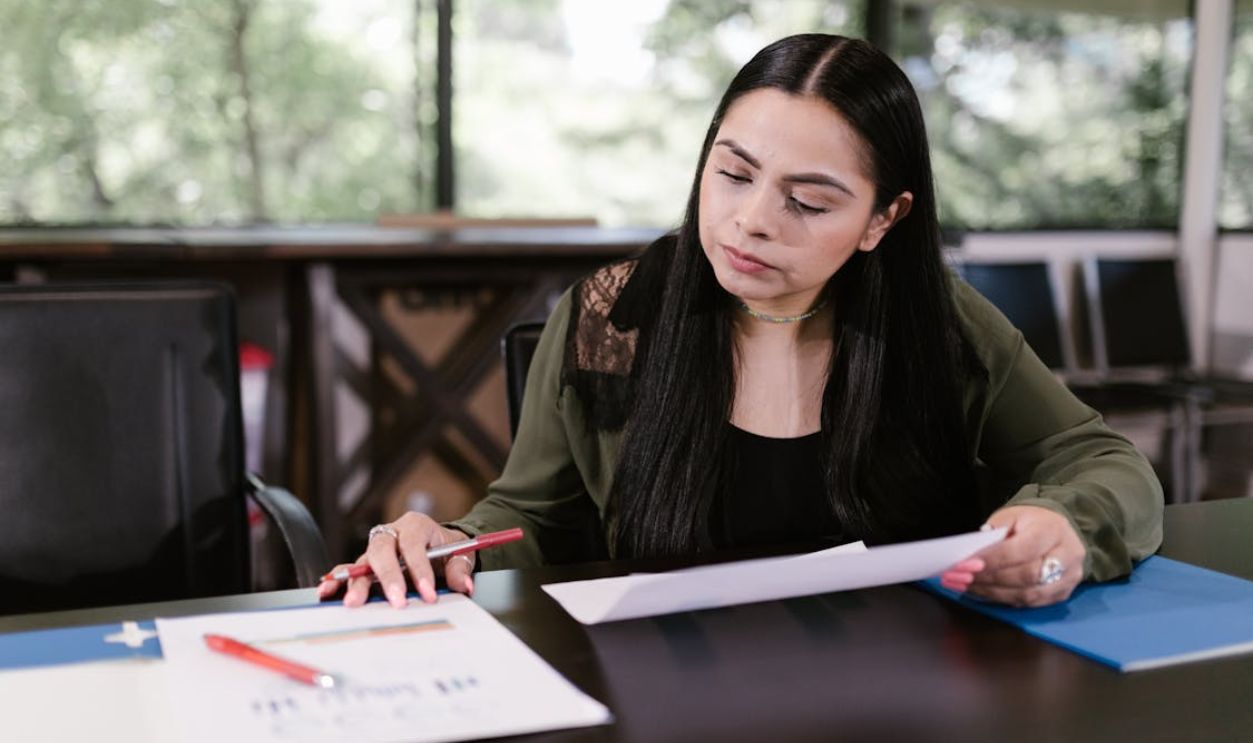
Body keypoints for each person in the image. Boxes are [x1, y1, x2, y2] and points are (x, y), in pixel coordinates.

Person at [319, 33, 1162, 610]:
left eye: (806, 200)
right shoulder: (611, 317)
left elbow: (1101, 461)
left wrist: (1066, 533)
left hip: (897, 693)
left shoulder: (934, 324)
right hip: (667, 695)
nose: (751, 220)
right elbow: (533, 517)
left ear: (882, 220)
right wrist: (451, 542)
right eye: (732, 173)